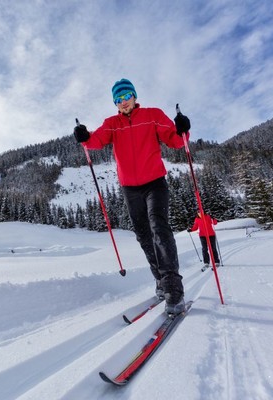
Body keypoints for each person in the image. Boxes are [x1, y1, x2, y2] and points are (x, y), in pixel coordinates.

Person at [73, 78, 191, 315]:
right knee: (144, 236)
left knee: (159, 228)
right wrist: (83, 135)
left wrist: (183, 129)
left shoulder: (152, 115)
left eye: (126, 96)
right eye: (118, 99)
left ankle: (173, 290)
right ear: (115, 104)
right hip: (130, 188)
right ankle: (159, 279)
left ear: (134, 96)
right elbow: (95, 141)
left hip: (155, 182)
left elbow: (176, 141)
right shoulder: (112, 124)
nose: (123, 102)